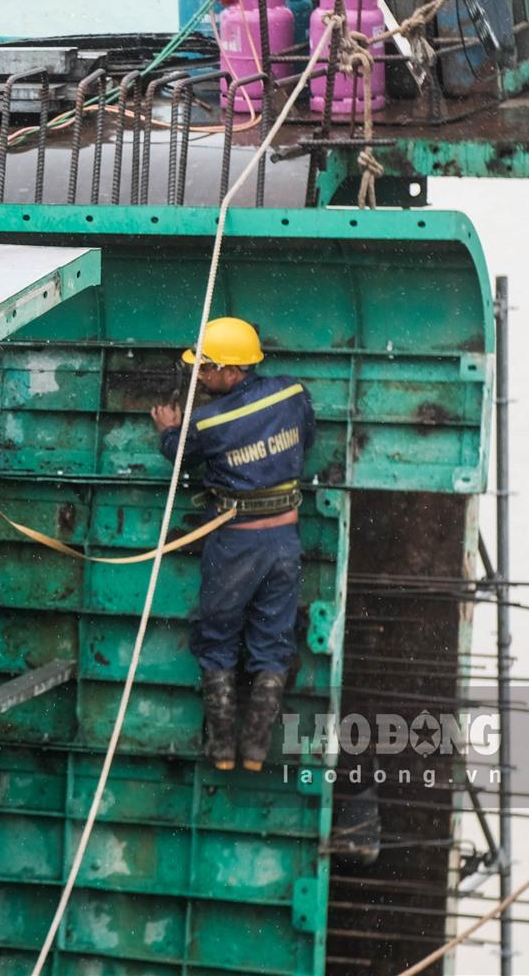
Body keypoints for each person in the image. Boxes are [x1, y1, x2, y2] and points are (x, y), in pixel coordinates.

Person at [151, 316, 315, 772]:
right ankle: (258, 751)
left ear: (232, 371)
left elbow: (179, 457)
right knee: (272, 641)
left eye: (206, 369)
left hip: (235, 546)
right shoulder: (291, 393)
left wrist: (169, 429)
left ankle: (222, 750)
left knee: (218, 639)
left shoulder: (207, 421)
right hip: (284, 540)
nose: (200, 376)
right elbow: (307, 439)